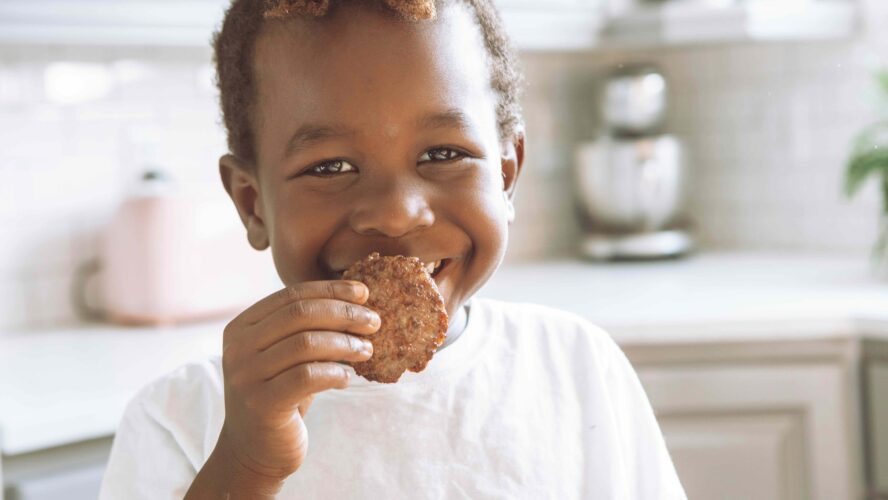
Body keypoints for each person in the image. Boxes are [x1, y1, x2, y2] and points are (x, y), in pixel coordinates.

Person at [99, 0, 687, 498]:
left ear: (506, 175)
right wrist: (246, 468)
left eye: (443, 154)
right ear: (254, 204)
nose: (395, 212)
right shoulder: (181, 418)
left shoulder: (578, 367)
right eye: (330, 166)